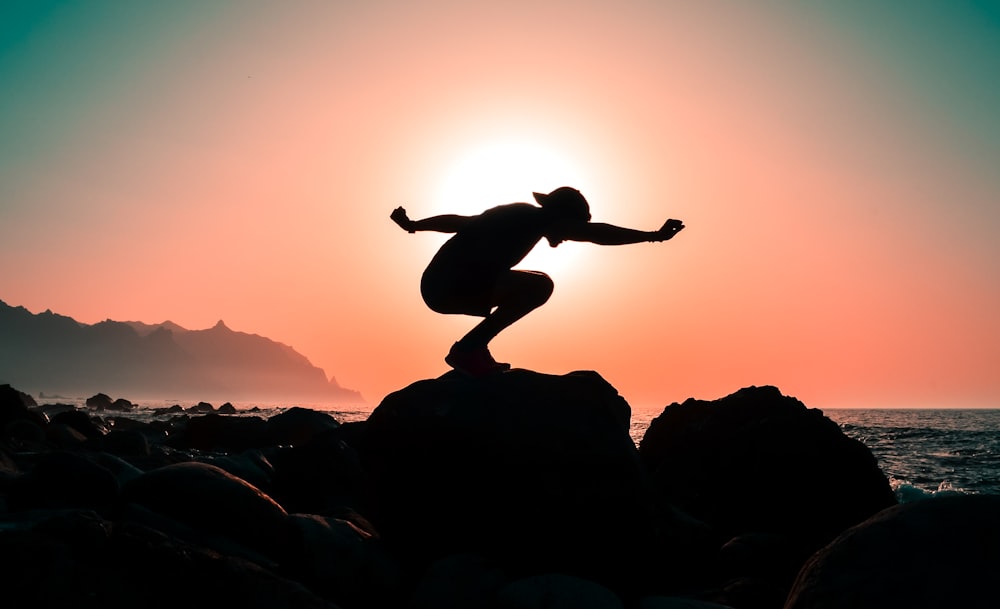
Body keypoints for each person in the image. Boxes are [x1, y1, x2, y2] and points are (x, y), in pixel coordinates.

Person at [390, 186, 684, 376]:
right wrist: (652, 236)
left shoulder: (517, 215)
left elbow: (460, 222)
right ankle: (468, 349)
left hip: (439, 285)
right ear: (561, 218)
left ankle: (474, 348)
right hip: (450, 284)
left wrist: (414, 225)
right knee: (539, 286)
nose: (569, 236)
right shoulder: (534, 218)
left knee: (532, 282)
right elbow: (599, 234)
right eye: (571, 228)